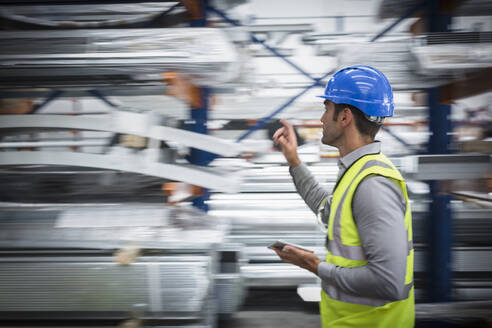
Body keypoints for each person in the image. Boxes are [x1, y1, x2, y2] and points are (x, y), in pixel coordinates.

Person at [272, 65, 414, 327]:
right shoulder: (358, 171)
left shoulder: (373, 184)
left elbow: (389, 282)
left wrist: (316, 266)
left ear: (345, 116)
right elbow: (327, 208)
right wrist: (293, 161)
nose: (322, 119)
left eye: (326, 109)